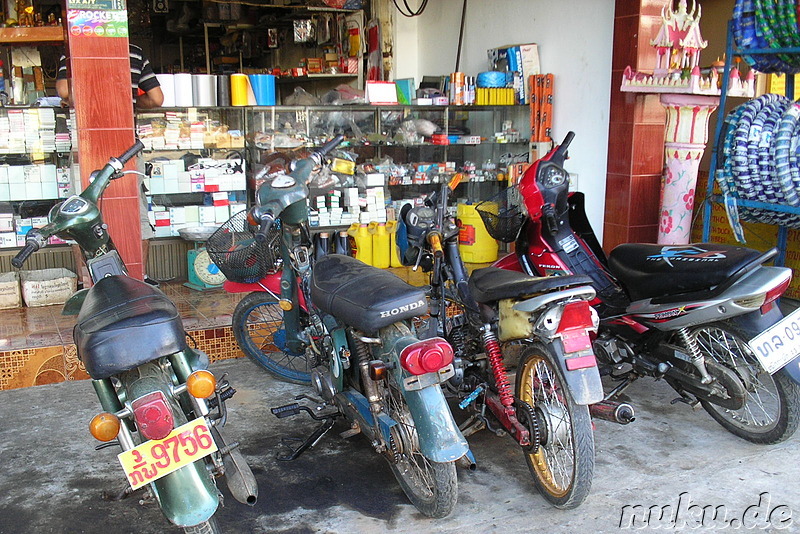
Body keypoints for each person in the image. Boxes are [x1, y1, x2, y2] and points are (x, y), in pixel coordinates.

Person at [56, 43, 164, 285]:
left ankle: (88, 282)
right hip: (126, 146)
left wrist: (77, 98)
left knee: (79, 212)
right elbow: (156, 98)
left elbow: (64, 90)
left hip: (87, 145)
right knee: (136, 212)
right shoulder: (133, 50)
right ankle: (139, 279)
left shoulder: (75, 47)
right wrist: (129, 103)